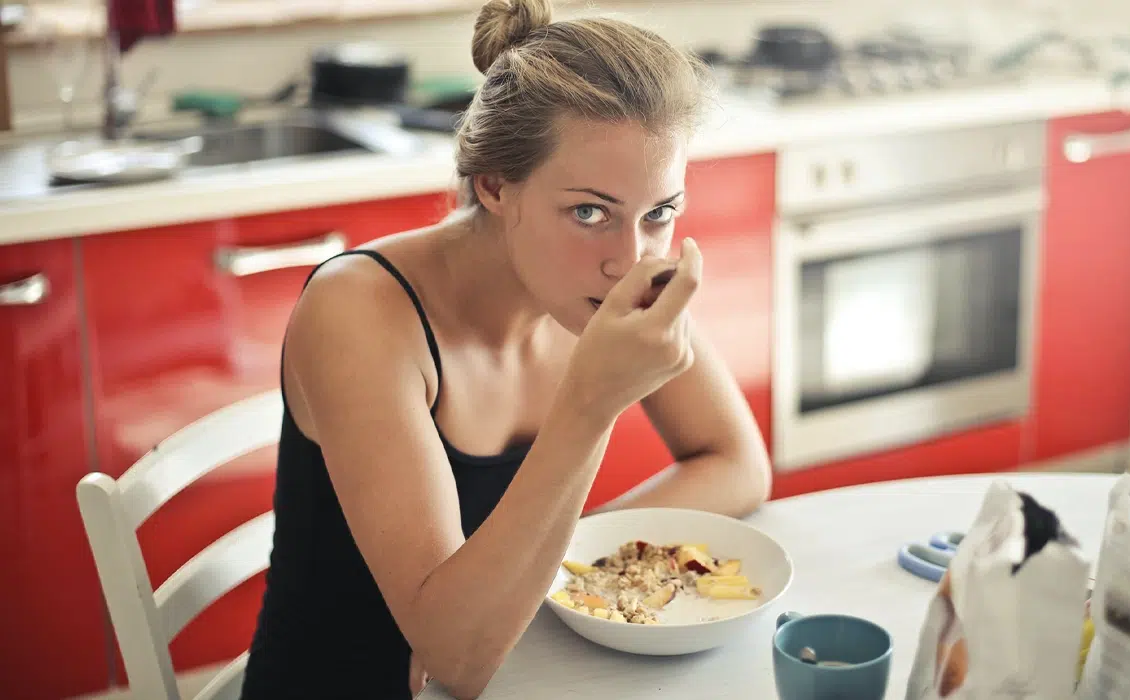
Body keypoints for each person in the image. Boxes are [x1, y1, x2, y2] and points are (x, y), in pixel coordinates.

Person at [239, 0, 772, 697]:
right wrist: (591, 405)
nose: (629, 260)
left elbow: (737, 465)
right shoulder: (361, 313)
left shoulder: (609, 277)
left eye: (659, 214)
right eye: (589, 212)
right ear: (494, 185)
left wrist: (541, 575)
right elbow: (456, 658)